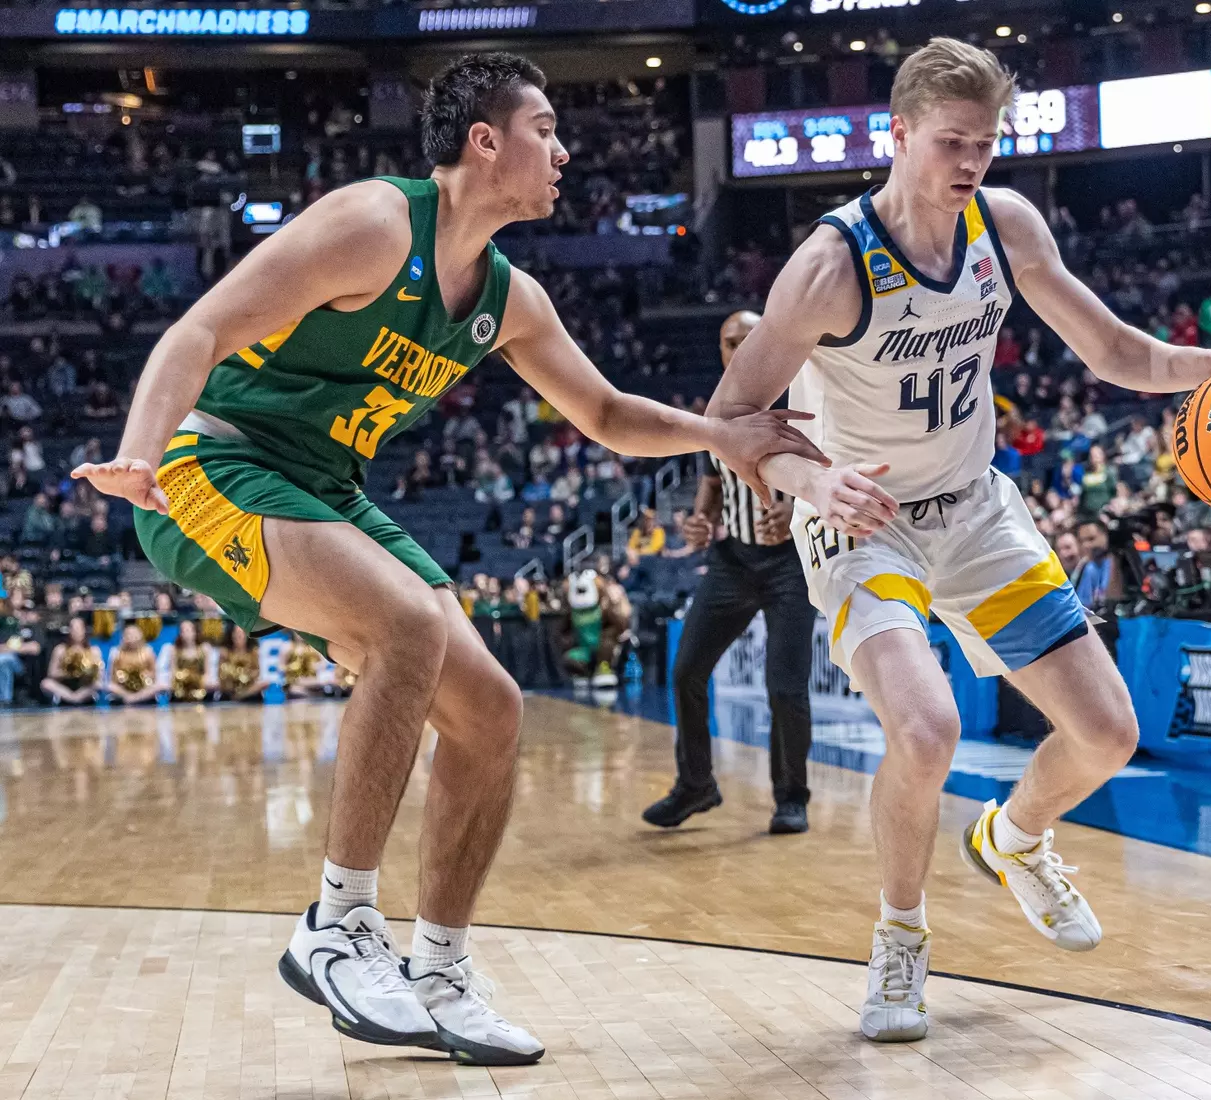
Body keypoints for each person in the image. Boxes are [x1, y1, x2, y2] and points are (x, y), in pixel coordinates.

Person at [70, 52, 824, 1067]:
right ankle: (336, 924)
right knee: (411, 623)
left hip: (325, 489)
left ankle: (441, 966)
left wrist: (720, 434)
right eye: (546, 129)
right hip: (213, 462)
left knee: (493, 708)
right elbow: (198, 327)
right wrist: (140, 448)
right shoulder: (374, 223)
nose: (564, 150)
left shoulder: (508, 296)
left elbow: (602, 413)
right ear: (486, 140)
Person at [704, 37, 1211, 1044]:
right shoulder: (828, 265)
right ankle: (900, 937)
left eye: (986, 143)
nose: (970, 163)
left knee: (1110, 732)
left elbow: (1119, 350)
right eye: (951, 142)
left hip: (977, 512)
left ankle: (1016, 835)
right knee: (927, 728)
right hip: (868, 526)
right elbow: (733, 416)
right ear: (896, 134)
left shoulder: (1005, 222)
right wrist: (815, 479)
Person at [643, 310, 817, 836]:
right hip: (734, 560)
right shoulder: (717, 410)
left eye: (748, 338)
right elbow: (714, 480)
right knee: (686, 671)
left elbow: (836, 473)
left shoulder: (804, 399)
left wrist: (799, 510)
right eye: (729, 341)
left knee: (785, 685)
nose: (739, 347)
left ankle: (791, 797)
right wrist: (701, 521)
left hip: (794, 562)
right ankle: (696, 784)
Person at [41, 616, 101, 704]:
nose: (76, 631)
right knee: (46, 683)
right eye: (73, 628)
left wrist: (85, 672)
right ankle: (72, 698)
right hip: (65, 685)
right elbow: (51, 673)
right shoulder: (60, 649)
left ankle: (78, 697)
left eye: (79, 628)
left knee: (99, 684)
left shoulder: (94, 650)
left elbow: (99, 674)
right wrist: (69, 673)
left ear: (84, 630)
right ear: (69, 631)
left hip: (84, 686)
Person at [162, 618, 217, 703]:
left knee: (214, 684)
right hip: (182, 683)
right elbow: (173, 672)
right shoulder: (174, 650)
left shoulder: (204, 648)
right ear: (180, 634)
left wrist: (198, 682)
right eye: (183, 631)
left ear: (195, 632)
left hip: (200, 683)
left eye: (188, 630)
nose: (186, 633)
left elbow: (207, 673)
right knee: (165, 686)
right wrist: (183, 681)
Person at [107, 624, 160, 705]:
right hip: (123, 689)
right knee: (110, 686)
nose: (131, 637)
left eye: (134, 634)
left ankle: (134, 698)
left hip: (143, 689)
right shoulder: (117, 652)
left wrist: (146, 676)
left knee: (157, 687)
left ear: (140, 635)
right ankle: (129, 697)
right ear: (123, 637)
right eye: (128, 634)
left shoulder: (148, 651)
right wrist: (122, 680)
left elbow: (154, 674)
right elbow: (112, 678)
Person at [218, 624, 271, 702]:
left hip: (250, 692)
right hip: (230, 691)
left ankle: (239, 697)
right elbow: (222, 679)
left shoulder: (254, 653)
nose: (239, 636)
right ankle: (237, 697)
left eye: (242, 633)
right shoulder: (225, 653)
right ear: (232, 635)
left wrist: (245, 681)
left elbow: (257, 674)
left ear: (247, 635)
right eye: (236, 633)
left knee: (262, 685)